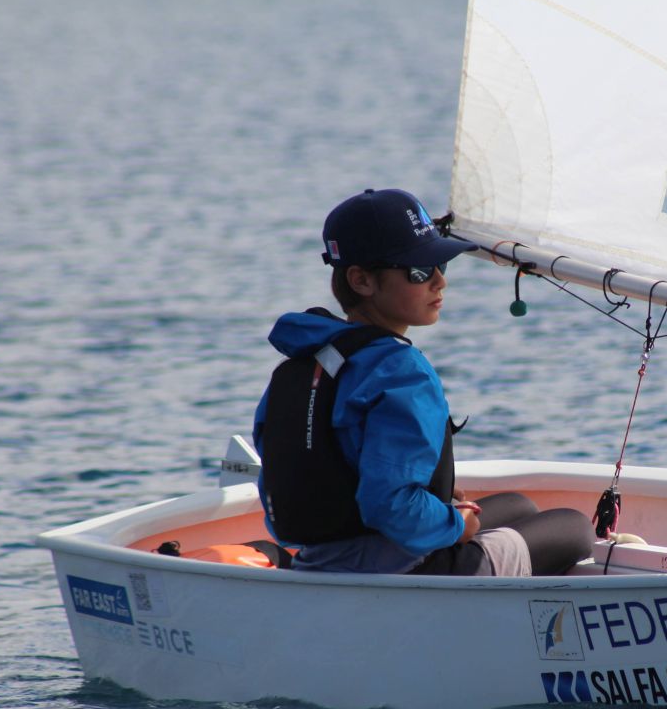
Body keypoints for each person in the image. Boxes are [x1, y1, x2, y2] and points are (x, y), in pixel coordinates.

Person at [252, 188, 595, 576]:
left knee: (519, 506)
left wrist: (438, 500)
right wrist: (455, 525)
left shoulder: (303, 363)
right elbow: (390, 507)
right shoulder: (400, 371)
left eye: (440, 265)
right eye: (419, 271)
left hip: (321, 559)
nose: (439, 282)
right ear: (361, 280)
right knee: (575, 528)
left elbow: (305, 479)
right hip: (404, 575)